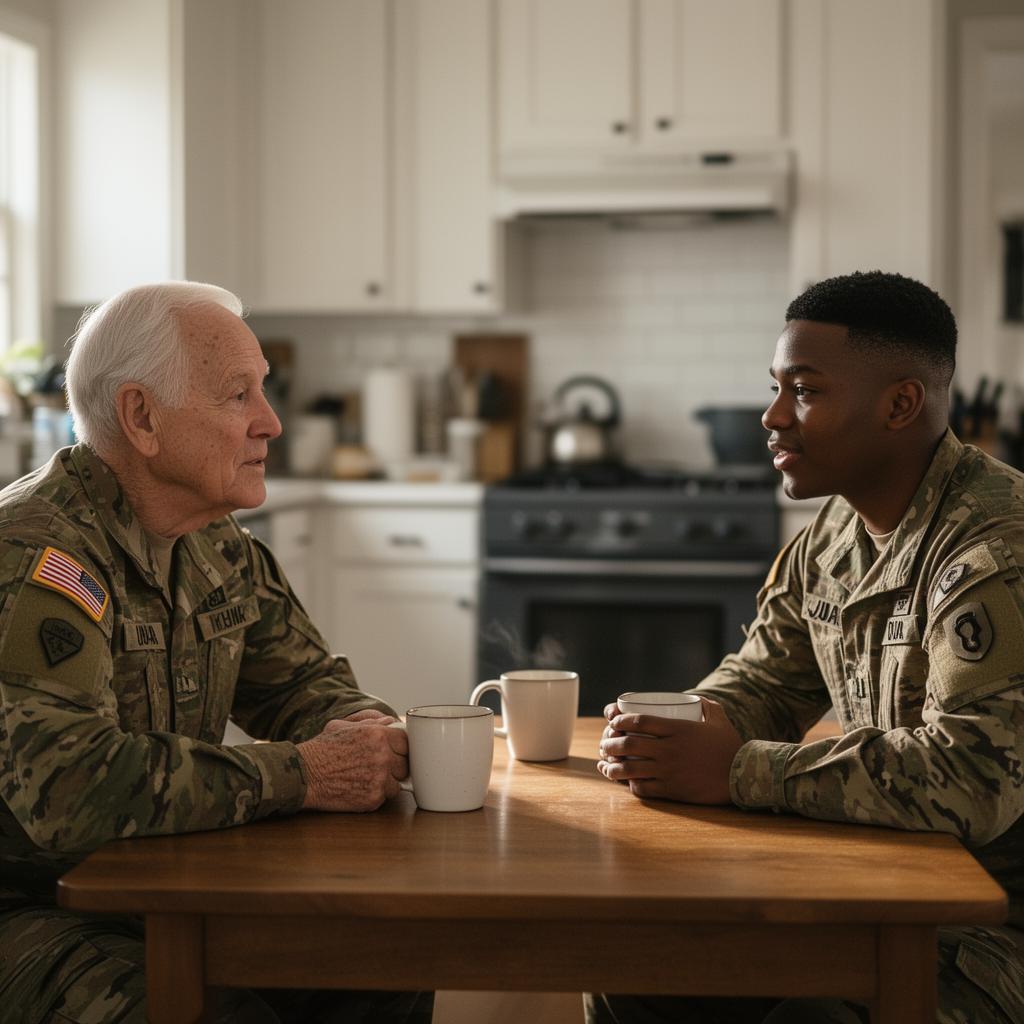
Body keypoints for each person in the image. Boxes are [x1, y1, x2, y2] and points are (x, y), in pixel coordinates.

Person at [592, 271, 1024, 1024]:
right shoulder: (829, 538)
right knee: (636, 966)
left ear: (900, 405)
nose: (773, 417)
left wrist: (734, 769)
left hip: (990, 925)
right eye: (776, 388)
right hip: (878, 880)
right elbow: (763, 682)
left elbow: (971, 778)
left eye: (806, 391)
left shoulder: (997, 551)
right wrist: (677, 727)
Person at [0, 282, 432, 1023]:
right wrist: (302, 773)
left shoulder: (215, 545)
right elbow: (70, 790)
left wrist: (366, 733)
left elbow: (308, 686)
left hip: (169, 885)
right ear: (141, 417)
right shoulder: (36, 556)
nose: (270, 423)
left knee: (381, 960)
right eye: (239, 396)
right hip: (36, 908)